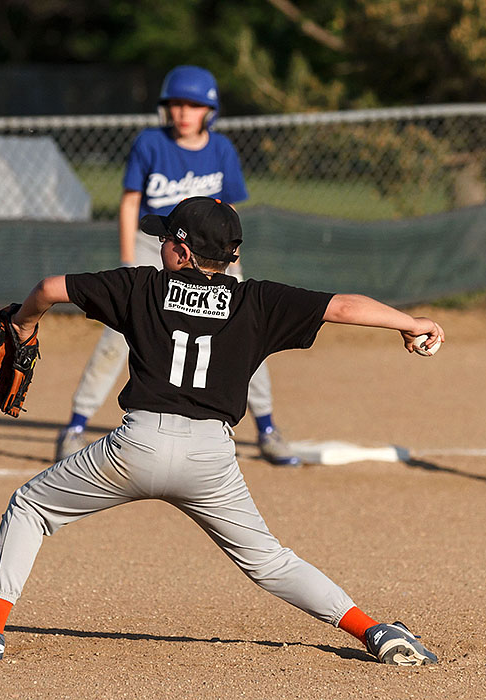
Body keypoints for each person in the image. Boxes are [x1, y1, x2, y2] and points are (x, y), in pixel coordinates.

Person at [0, 196, 445, 666]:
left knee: (30, 508)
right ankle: (374, 632)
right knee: (271, 562)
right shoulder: (257, 300)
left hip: (135, 447)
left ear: (181, 253)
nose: (159, 244)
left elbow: (48, 288)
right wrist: (411, 324)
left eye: (165, 238)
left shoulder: (142, 286)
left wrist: (23, 322)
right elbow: (345, 305)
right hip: (211, 459)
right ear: (231, 256)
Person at [55, 65, 302, 467]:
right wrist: (127, 261)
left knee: (244, 330)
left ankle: (268, 429)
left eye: (193, 105)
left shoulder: (221, 149)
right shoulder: (150, 143)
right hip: (155, 245)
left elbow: (229, 210)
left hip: (211, 253)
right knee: (117, 337)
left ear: (210, 110)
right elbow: (131, 201)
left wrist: (232, 257)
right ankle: (76, 426)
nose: (183, 112)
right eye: (175, 104)